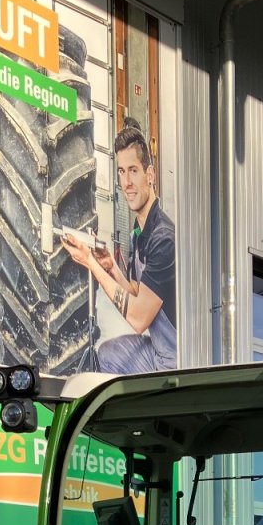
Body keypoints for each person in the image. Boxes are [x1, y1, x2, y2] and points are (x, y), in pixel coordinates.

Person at [60, 119, 177, 373]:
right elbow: (136, 293)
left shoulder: (164, 238)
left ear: (151, 175)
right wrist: (110, 267)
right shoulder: (140, 233)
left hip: (176, 360)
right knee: (109, 354)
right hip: (159, 351)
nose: (127, 182)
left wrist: (90, 263)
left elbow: (138, 318)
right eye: (122, 172)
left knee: (110, 358)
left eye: (133, 170)